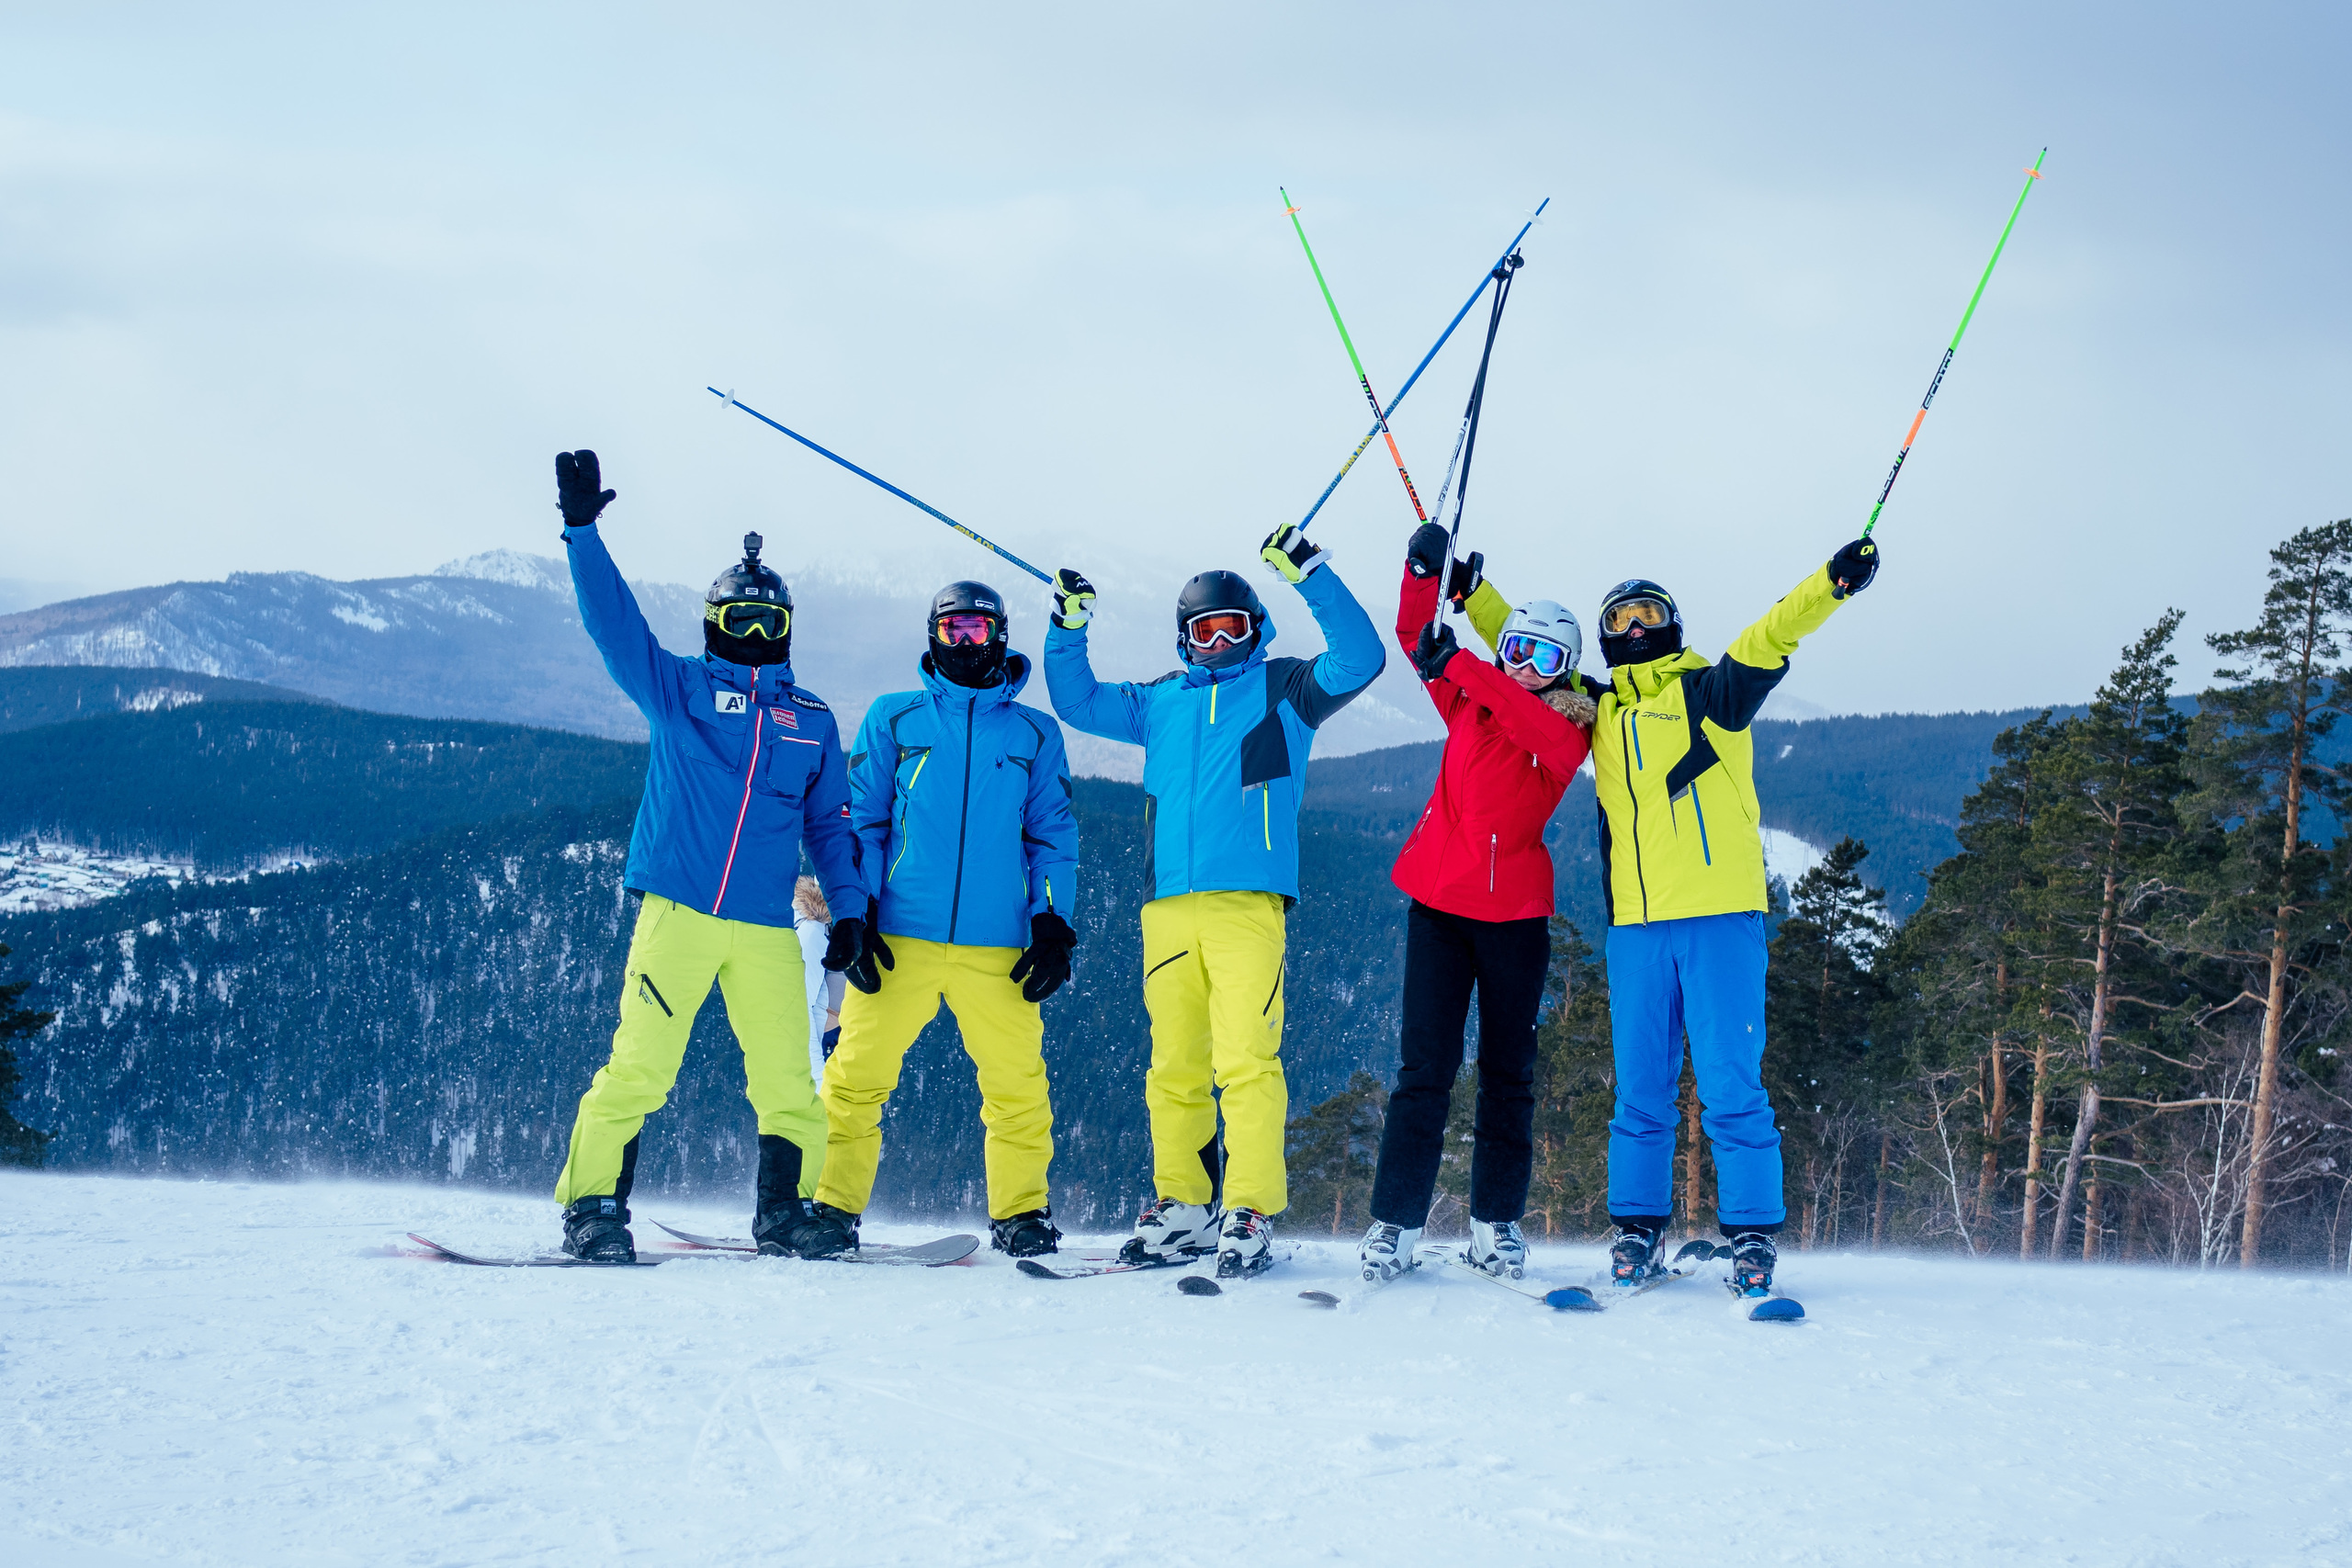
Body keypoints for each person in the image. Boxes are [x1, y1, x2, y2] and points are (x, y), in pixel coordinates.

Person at [1466, 536, 1882, 1297]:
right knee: (1641, 1090)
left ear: (1672, 623)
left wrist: (1833, 582)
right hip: (1636, 930)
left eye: (1645, 613)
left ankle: (1751, 1237)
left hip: (1720, 919)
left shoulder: (1710, 693)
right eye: (1617, 618)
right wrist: (1472, 597)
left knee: (1728, 1083)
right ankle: (1636, 1233)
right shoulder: (1595, 708)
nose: (1631, 628)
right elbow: (1531, 653)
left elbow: (1773, 631)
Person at [546, 449, 868, 1264]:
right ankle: (592, 1206)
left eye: (768, 624)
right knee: (640, 1068)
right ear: (712, 625)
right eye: (738, 622)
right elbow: (614, 625)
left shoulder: (812, 720)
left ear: (788, 630)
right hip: (680, 911)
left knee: (788, 1085)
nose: (754, 637)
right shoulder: (679, 689)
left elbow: (831, 827)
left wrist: (853, 912)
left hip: (762, 925)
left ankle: (786, 1214)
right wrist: (582, 533)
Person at [1045, 525, 1385, 1277]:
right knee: (1174, 1065)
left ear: (1255, 628)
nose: (1220, 638)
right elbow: (1077, 700)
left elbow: (1362, 656)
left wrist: (1310, 573)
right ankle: (1185, 1207)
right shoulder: (1157, 702)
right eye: (1205, 627)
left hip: (1247, 902)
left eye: (1234, 624)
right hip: (1166, 907)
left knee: (1247, 1060)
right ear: (1185, 639)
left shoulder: (1286, 690)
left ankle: (1250, 1207)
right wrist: (1069, 625)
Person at [1358, 524, 1604, 1284]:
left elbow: (1537, 729)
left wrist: (1465, 660)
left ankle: (1494, 1223)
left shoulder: (1566, 724)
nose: (1528, 667)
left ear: (1566, 670)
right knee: (1423, 1071)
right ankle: (1395, 1223)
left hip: (1516, 920)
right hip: (1438, 906)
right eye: (1519, 649)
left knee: (1508, 1074)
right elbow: (1414, 635)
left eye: (1547, 657)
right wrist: (1421, 573)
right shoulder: (1470, 703)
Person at [806, 581, 1081, 1258]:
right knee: (855, 1076)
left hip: (998, 945)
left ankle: (1020, 1213)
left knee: (1017, 1085)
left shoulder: (1033, 732)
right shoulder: (895, 718)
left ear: (1000, 636)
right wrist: (857, 911)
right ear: (932, 635)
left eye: (978, 631)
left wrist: (1052, 921)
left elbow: (1051, 833)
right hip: (900, 935)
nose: (965, 643)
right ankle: (830, 1204)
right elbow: (863, 821)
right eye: (953, 630)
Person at [792, 877, 846, 1079]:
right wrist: (817, 1076)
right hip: (827, 1042)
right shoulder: (814, 933)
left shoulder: (834, 931)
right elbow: (801, 1009)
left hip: (839, 1037)